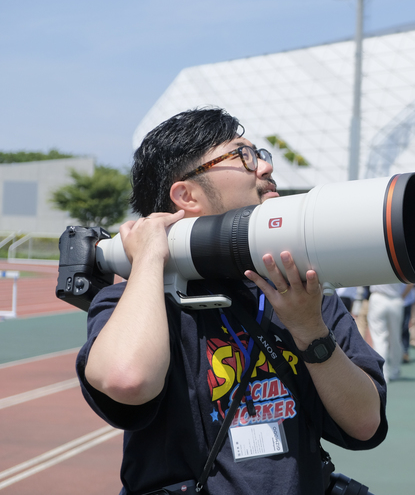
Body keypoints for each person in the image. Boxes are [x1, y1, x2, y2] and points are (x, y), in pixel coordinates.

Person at [76, 108, 387, 494]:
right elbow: (127, 380)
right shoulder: (134, 304)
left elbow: (365, 422)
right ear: (186, 195)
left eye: (261, 154)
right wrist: (150, 258)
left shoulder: (303, 294)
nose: (264, 168)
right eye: (244, 156)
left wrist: (310, 331)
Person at [367, 283, 412, 383]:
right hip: (395, 299)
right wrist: (402, 296)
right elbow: (410, 282)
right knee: (395, 338)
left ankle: (383, 373)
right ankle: (395, 371)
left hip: (378, 298)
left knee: (379, 339)